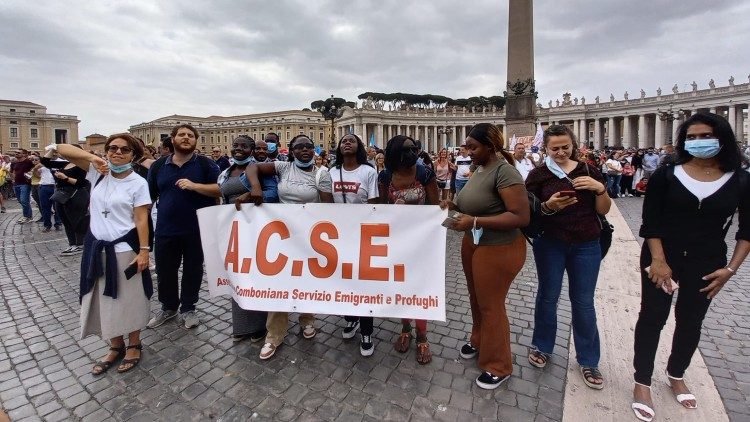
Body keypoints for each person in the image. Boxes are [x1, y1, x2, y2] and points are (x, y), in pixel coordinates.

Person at [631, 112, 750, 421]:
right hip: (661, 257)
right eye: (692, 137)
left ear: (722, 138)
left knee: (691, 321)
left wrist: (731, 270)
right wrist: (659, 261)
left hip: (708, 261)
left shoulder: (740, 179)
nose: (698, 142)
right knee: (652, 317)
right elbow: (650, 224)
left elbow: (747, 231)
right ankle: (642, 381)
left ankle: (676, 373)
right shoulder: (666, 175)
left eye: (705, 136)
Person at [51, 135, 152, 375]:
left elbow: (141, 219)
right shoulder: (96, 173)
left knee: (130, 299)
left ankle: (134, 344)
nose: (118, 153)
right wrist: (93, 158)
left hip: (124, 248)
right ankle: (115, 345)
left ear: (133, 155)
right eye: (112, 148)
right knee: (104, 299)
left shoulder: (138, 182)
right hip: (96, 247)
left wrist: (145, 251)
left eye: (124, 149)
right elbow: (60, 149)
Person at [441, 123, 529, 389]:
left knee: (491, 305)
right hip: (474, 243)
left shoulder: (505, 172)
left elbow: (520, 216)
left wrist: (475, 221)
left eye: (473, 147)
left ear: (490, 147)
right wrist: (453, 204)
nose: (468, 151)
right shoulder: (480, 169)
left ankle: (498, 365)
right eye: (467, 146)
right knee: (476, 298)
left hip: (499, 247)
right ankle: (479, 340)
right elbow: (476, 203)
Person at [525, 124, 611, 390]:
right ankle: (542, 346)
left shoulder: (590, 171)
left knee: (584, 302)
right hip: (550, 243)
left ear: (573, 145)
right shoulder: (538, 175)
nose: (561, 152)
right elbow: (531, 213)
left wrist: (599, 189)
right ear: (546, 149)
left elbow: (604, 209)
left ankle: (588, 359)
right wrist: (549, 206)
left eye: (565, 147)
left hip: (587, 244)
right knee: (548, 296)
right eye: (555, 148)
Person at [236, 134, 333, 360]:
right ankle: (274, 335)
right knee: (279, 283)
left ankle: (307, 319)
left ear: (314, 151)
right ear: (291, 150)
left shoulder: (322, 173)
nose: (305, 150)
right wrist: (255, 188)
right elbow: (252, 169)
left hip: (310, 236)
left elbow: (329, 208)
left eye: (309, 146)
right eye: (299, 147)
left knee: (308, 280)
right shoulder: (283, 167)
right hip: (283, 235)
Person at [146, 124, 221, 330]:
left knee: (193, 269)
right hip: (165, 228)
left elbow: (219, 190)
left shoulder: (206, 165)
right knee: (165, 270)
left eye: (190, 135)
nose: (186, 138)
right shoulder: (159, 166)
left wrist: (195, 186)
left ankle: (188, 307)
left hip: (196, 229)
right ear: (172, 139)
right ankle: (168, 307)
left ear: (196, 141)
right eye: (181, 135)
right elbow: (149, 196)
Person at [378, 135, 439, 364]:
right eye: (407, 150)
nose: (412, 153)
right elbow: (381, 209)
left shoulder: (424, 173)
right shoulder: (385, 176)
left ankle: (422, 336)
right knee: (401, 286)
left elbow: (434, 208)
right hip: (396, 240)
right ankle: (405, 328)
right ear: (394, 153)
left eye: (414, 148)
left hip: (422, 240)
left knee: (420, 287)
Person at [327, 134, 380, 356]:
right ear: (339, 147)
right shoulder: (329, 172)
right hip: (339, 235)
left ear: (358, 146)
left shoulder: (368, 172)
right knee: (345, 280)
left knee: (364, 282)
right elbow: (326, 203)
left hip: (362, 235)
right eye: (343, 140)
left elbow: (373, 205)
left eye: (352, 140)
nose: (347, 142)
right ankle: (350, 317)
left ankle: (367, 329)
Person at [217, 135, 269, 343]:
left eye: (244, 146)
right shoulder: (225, 172)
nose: (239, 149)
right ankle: (241, 326)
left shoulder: (259, 170)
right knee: (237, 275)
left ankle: (259, 326)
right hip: (232, 229)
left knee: (257, 276)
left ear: (252, 150)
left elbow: (270, 193)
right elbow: (220, 196)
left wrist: (249, 196)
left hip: (256, 229)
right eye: (236, 145)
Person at [42, 145, 91, 255]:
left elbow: (82, 183)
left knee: (77, 220)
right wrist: (53, 149)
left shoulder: (82, 165)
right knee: (65, 220)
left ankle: (80, 244)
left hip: (76, 194)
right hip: (62, 193)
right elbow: (45, 161)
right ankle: (72, 244)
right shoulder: (64, 163)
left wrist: (66, 178)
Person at [37, 153, 62, 232]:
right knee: (45, 207)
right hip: (44, 186)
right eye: (51, 152)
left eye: (55, 152)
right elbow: (36, 173)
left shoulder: (62, 162)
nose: (53, 154)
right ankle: (47, 225)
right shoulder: (43, 162)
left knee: (57, 207)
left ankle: (58, 224)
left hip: (55, 186)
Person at [11, 149, 34, 223]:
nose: (16, 154)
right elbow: (14, 172)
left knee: (24, 200)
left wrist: (30, 174)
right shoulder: (15, 163)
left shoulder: (28, 162)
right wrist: (13, 179)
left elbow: (35, 167)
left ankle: (27, 216)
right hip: (16, 184)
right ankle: (29, 216)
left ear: (24, 154)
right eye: (16, 152)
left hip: (25, 184)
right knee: (21, 200)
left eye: (18, 153)